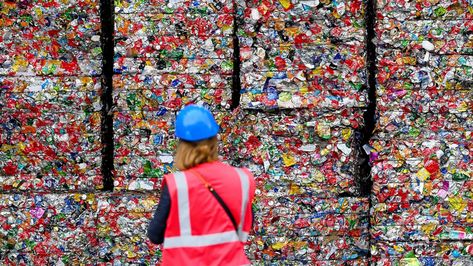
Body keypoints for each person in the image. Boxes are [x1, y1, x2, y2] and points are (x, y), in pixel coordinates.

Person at [147, 105, 256, 265]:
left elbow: (155, 235)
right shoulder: (243, 179)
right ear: (214, 141)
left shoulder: (177, 184)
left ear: (182, 146)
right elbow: (247, 223)